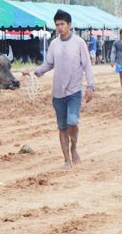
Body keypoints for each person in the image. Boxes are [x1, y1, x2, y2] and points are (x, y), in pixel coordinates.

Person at [22, 9, 94, 170]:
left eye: (62, 24)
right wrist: (33, 72)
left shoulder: (79, 43)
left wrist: (90, 86)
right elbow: (49, 64)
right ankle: (67, 160)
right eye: (57, 25)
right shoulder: (54, 44)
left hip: (74, 91)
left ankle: (74, 147)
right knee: (62, 127)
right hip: (58, 93)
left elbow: (87, 65)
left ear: (69, 25)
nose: (59, 27)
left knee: (72, 122)